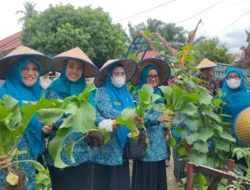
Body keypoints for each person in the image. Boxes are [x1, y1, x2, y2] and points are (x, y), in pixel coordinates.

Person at [0, 46, 54, 189]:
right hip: (5, 165)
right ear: (15, 71)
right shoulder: (3, 95)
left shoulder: (41, 95)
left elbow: (39, 124)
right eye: (24, 68)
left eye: (35, 69)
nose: (31, 73)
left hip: (29, 163)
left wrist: (45, 129)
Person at [44, 47, 99, 190]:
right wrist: (70, 120)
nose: (74, 71)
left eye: (79, 68)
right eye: (71, 66)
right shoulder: (53, 90)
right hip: (60, 153)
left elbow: (93, 116)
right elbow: (48, 118)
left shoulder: (87, 91)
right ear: (64, 67)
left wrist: (106, 124)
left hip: (83, 153)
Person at [90, 59, 142, 190]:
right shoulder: (102, 91)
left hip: (124, 145)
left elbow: (133, 111)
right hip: (108, 146)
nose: (120, 77)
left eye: (122, 74)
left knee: (122, 179)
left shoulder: (127, 94)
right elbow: (106, 109)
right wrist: (127, 116)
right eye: (116, 74)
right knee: (107, 181)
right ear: (109, 76)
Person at [131, 58, 172, 190]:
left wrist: (167, 123)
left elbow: (162, 113)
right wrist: (158, 118)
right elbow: (139, 117)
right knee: (146, 177)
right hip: (146, 143)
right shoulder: (139, 93)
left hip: (159, 142)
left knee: (157, 176)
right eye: (149, 76)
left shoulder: (159, 93)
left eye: (155, 76)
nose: (153, 79)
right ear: (144, 77)